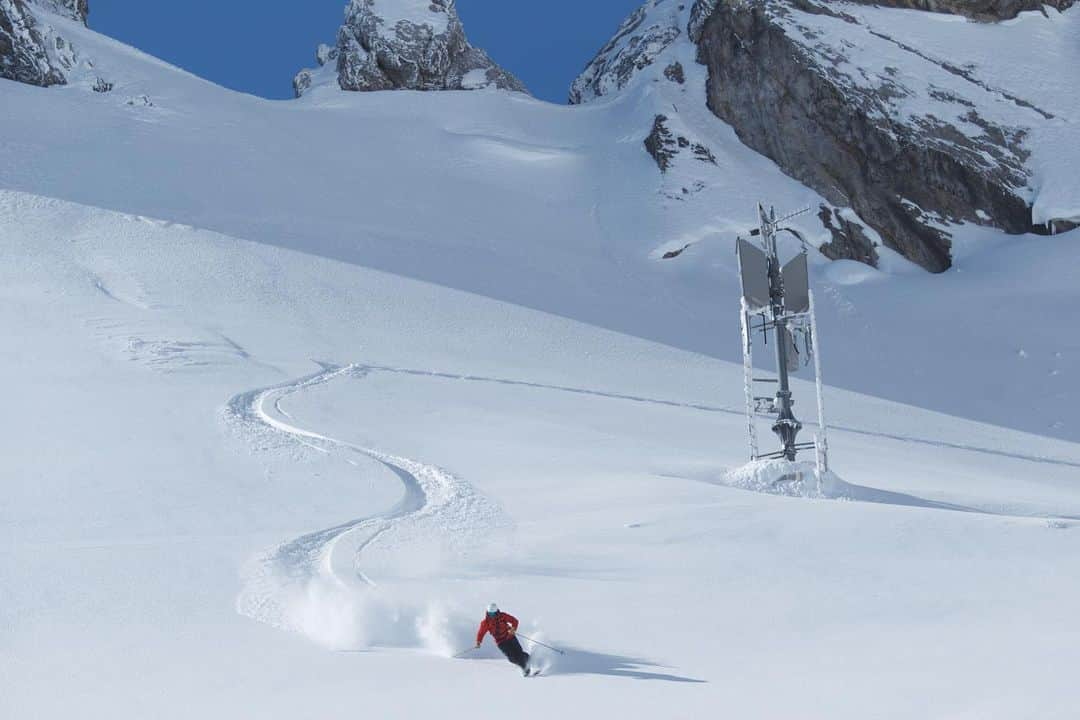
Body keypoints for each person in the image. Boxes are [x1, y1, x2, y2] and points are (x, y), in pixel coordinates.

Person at [475, 603, 531, 675]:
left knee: (519, 654)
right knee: (512, 658)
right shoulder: (485, 623)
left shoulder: (503, 616)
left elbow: (514, 621)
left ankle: (527, 665)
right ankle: (525, 666)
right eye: (490, 614)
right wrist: (478, 641)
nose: (491, 616)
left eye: (493, 614)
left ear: (496, 612)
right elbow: (481, 632)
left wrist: (513, 629)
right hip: (501, 642)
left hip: (510, 637)